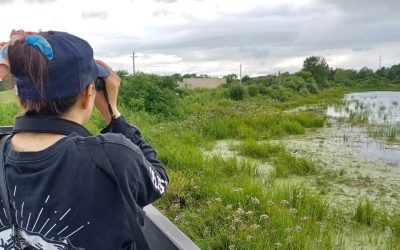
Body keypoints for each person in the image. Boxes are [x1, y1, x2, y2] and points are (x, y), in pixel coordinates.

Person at [0, 30, 168, 249]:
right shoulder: (115, 156)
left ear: (19, 94)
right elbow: (158, 179)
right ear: (89, 91)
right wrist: (112, 112)